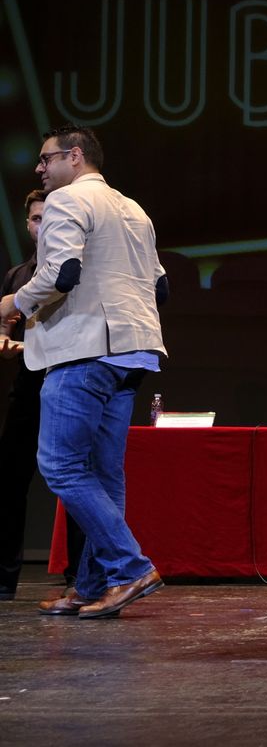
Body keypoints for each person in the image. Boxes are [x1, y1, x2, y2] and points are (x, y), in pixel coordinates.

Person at [0, 126, 168, 620]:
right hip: (134, 352)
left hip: (86, 350)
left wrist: (13, 303)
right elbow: (160, 287)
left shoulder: (67, 199)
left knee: (60, 465)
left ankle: (130, 567)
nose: (39, 168)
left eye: (46, 158)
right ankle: (94, 585)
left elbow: (61, 274)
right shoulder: (133, 208)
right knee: (102, 473)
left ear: (74, 157)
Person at [0, 190, 84, 599]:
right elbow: (4, 331)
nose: (42, 225)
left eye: (48, 217)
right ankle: (4, 580)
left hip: (71, 386)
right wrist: (7, 343)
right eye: (35, 218)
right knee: (10, 481)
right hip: (29, 387)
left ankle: (79, 578)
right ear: (28, 225)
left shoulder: (81, 271)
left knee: (75, 480)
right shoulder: (17, 277)